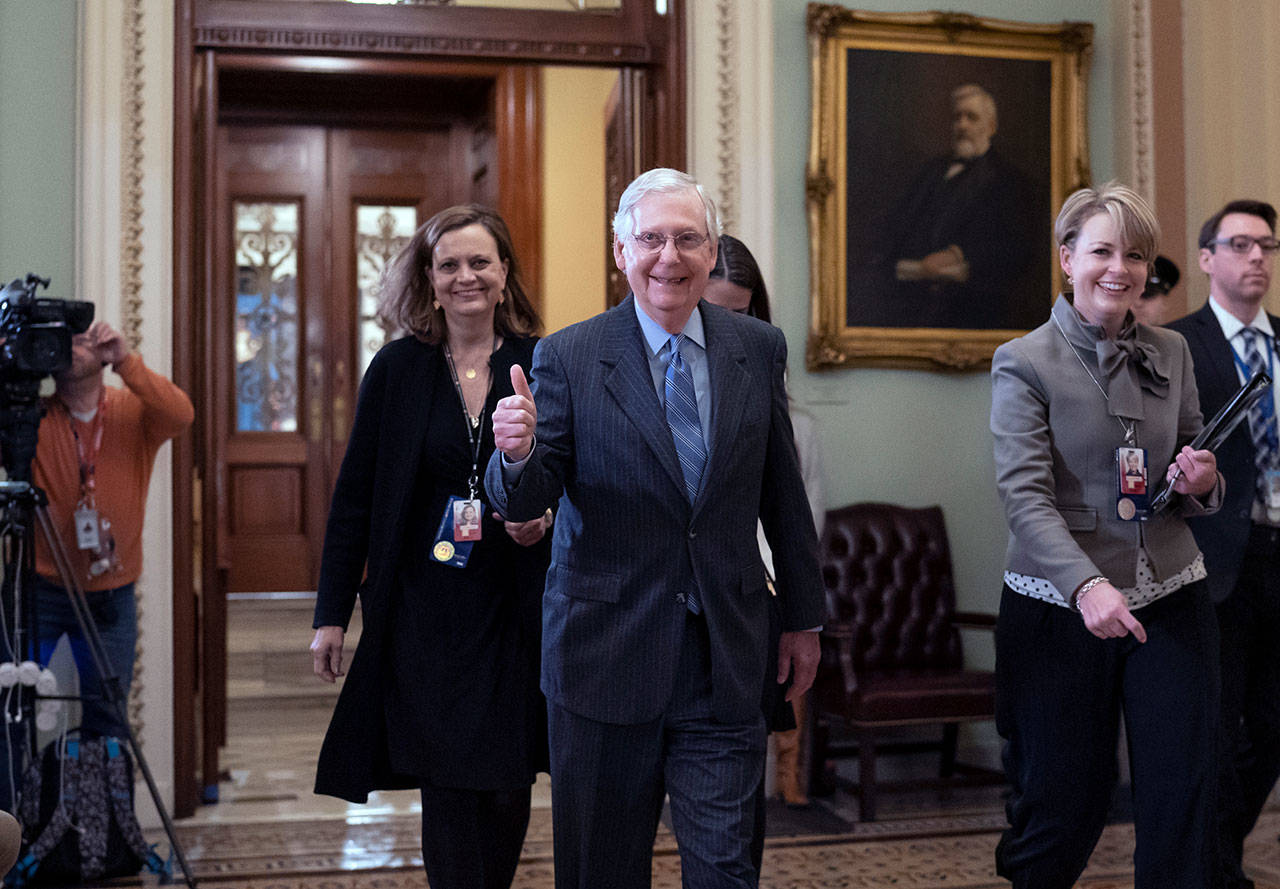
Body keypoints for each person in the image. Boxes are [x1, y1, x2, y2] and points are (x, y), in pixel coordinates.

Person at [485, 168, 825, 889]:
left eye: (687, 239)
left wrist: (802, 618)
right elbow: (528, 499)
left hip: (724, 655)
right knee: (601, 872)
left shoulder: (757, 347)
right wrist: (515, 455)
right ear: (621, 251)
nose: (668, 257)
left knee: (726, 871)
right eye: (651, 239)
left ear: (711, 250)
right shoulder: (569, 356)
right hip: (605, 658)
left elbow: (782, 496)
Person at [310, 204, 551, 889]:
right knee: (446, 788)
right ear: (429, 277)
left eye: (480, 262)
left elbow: (575, 479)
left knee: (507, 786)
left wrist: (547, 516)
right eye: (449, 264)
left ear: (505, 275)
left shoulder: (542, 362)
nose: (465, 276)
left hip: (514, 610)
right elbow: (353, 496)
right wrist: (331, 614)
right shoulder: (397, 369)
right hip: (424, 612)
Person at [990, 182, 1222, 889]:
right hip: (1060, 608)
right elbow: (1024, 498)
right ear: (1067, 258)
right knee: (1064, 802)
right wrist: (1086, 586)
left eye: (1136, 255)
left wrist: (1201, 479)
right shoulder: (1023, 360)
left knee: (1181, 793)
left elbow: (1193, 455)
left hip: (1172, 594)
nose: (1119, 268)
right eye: (1101, 251)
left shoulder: (1173, 350)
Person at [10, 321, 193, 777]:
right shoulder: (30, 416)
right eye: (62, 338)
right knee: (9, 708)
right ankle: (11, 835)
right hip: (39, 589)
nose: (73, 347)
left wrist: (126, 361)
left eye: (82, 335)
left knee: (107, 719)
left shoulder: (133, 412)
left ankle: (98, 841)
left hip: (111, 595)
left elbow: (182, 414)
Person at [1167, 199, 1280, 889]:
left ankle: (1215, 855)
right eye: (1241, 244)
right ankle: (1212, 868)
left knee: (1271, 728)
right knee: (1215, 728)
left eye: (1267, 245)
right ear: (1207, 257)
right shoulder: (1178, 344)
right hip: (1214, 561)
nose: (1258, 257)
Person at [704, 234, 826, 865]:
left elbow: (801, 520)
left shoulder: (787, 412)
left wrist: (793, 611)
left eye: (741, 315)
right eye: (713, 311)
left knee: (735, 804)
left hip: (755, 602)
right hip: (679, 601)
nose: (727, 328)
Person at [852, 83, 1042, 331]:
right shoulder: (931, 171)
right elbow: (897, 223)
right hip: (911, 301)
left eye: (971, 118)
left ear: (991, 127)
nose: (962, 126)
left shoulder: (1010, 181)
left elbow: (1015, 246)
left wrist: (957, 253)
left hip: (971, 308)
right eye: (957, 117)